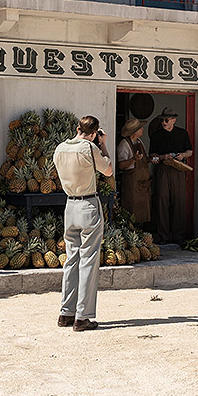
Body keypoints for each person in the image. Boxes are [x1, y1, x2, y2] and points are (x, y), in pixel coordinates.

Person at [53, 115, 113, 332]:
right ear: (94, 133)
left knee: (71, 260)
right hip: (88, 204)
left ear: (77, 128)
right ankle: (83, 316)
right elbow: (107, 170)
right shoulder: (89, 148)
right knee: (88, 260)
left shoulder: (60, 148)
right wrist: (103, 145)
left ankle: (65, 312)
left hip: (69, 205)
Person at [149, 107, 193, 245]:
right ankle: (163, 235)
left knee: (179, 200)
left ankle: (178, 235)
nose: (164, 122)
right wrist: (162, 157)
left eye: (166, 120)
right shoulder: (156, 135)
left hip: (178, 169)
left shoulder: (182, 133)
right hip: (162, 168)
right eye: (162, 120)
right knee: (161, 200)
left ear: (173, 120)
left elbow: (190, 151)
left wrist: (182, 156)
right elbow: (152, 156)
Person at [117, 118, 151, 225]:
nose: (142, 130)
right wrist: (134, 159)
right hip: (132, 183)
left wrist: (151, 159)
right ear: (134, 132)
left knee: (143, 212)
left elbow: (144, 159)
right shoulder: (124, 144)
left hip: (143, 183)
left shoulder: (139, 142)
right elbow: (121, 165)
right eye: (140, 128)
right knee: (131, 212)